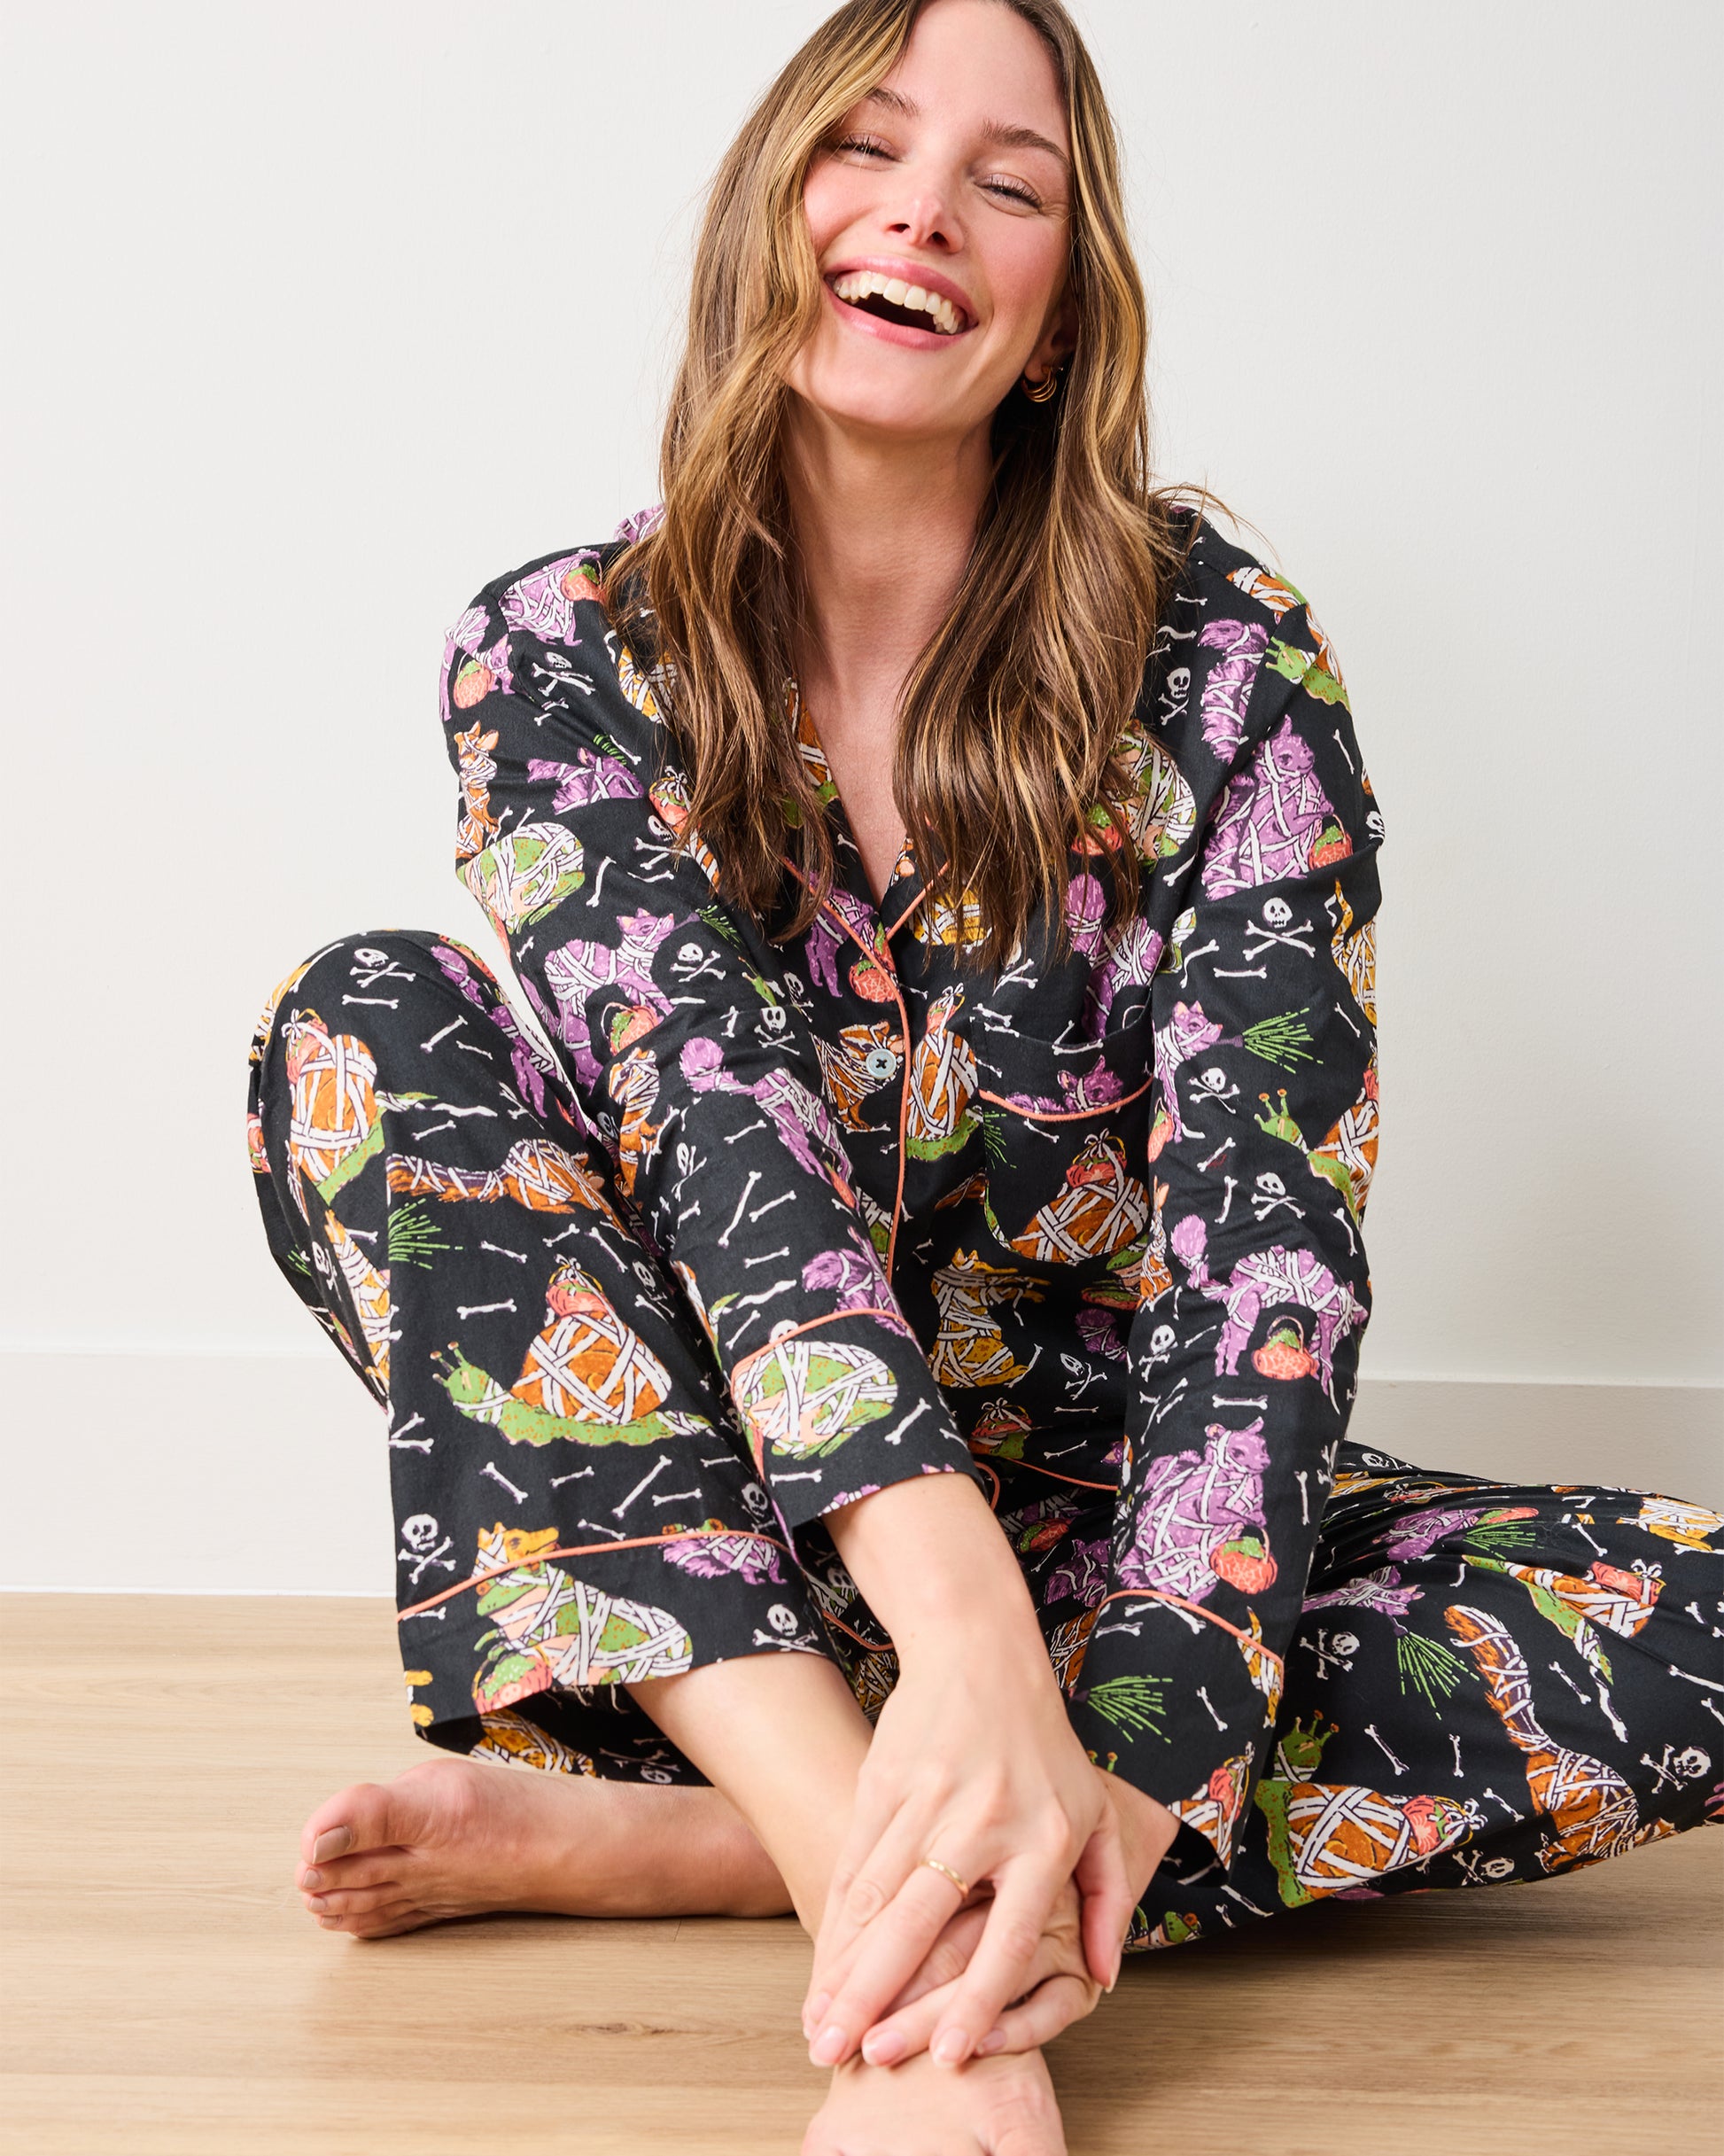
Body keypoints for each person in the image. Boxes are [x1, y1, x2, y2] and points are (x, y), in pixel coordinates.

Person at [245, 3, 1724, 2149]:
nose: (922, 206)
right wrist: (951, 1650)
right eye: (865, 146)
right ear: (771, 212)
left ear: (1054, 320)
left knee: (1696, 1616)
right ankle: (898, 1922)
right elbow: (717, 1131)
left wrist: (1109, 1691)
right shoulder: (555, 649)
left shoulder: (1227, 659)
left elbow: (1264, 1254)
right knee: (363, 1015)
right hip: (723, 1564)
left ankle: (751, 1845)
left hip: (1115, 1551)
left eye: (1006, 182)